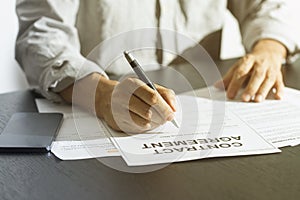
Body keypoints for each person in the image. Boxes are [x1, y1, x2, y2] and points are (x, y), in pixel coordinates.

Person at [15, 0, 300, 133]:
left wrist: (270, 49)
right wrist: (101, 95)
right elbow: (41, 32)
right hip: (95, 110)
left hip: (205, 100)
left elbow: (270, 4)